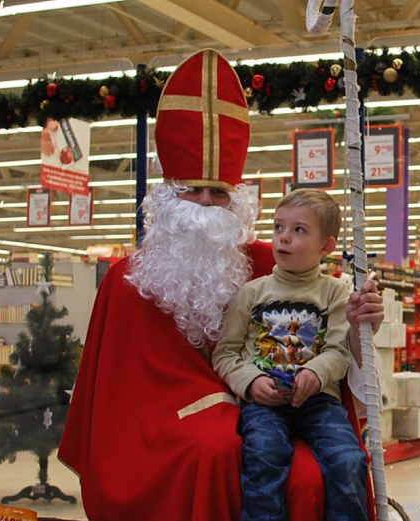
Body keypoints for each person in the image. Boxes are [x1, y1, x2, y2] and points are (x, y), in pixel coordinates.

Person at [58, 48, 383, 521]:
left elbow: (325, 341)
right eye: (193, 189)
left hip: (282, 409)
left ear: (238, 198)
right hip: (164, 427)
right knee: (213, 450)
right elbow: (113, 400)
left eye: (219, 192)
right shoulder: (127, 280)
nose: (207, 204)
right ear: (168, 194)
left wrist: (358, 326)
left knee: (316, 475)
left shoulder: (268, 262)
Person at [213, 188, 370, 521]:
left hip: (319, 403)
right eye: (278, 227)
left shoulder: (336, 292)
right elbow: (225, 354)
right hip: (264, 404)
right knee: (263, 455)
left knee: (349, 460)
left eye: (299, 230)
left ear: (326, 246)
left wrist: (315, 373)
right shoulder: (251, 292)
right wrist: (251, 382)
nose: (283, 238)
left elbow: (339, 351)